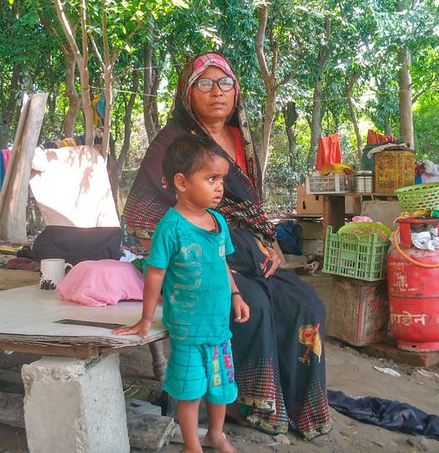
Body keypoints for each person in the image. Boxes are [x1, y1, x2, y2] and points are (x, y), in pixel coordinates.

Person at [123, 52, 332, 439]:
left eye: (225, 83)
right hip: (201, 255)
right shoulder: (172, 143)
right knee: (252, 310)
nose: (216, 92)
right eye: (204, 83)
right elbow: (142, 213)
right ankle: (249, 405)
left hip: (251, 249)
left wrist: (269, 248)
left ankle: (299, 402)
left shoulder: (240, 138)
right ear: (187, 93)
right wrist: (200, 264)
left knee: (307, 305)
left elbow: (248, 207)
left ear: (236, 92)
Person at [115, 134, 249, 453]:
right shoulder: (170, 228)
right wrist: (145, 319)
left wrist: (236, 295)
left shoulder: (218, 221)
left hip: (219, 329)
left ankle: (216, 434)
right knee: (189, 391)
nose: (220, 187)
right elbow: (155, 274)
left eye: (222, 179)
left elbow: (222, 264)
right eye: (211, 178)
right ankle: (192, 445)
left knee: (219, 388)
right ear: (182, 182)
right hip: (188, 330)